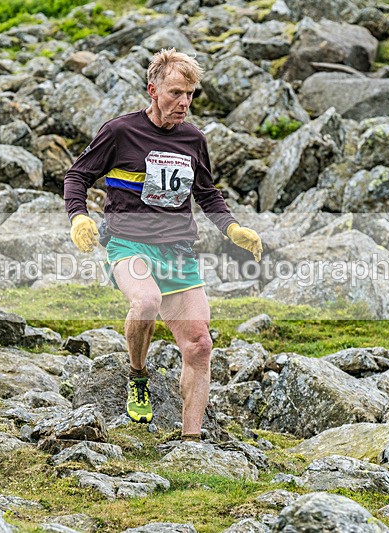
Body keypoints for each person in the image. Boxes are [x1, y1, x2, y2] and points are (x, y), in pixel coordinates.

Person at [63, 48, 262, 441]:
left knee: (201, 344)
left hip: (178, 251)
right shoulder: (120, 132)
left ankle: (190, 443)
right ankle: (137, 375)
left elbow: (207, 195)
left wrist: (233, 228)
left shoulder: (193, 139)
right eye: (175, 93)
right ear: (152, 90)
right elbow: (76, 176)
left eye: (190, 94)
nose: (183, 103)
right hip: (128, 243)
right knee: (147, 301)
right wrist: (79, 216)